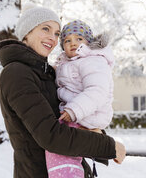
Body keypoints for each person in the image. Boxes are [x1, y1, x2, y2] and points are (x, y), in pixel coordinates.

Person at [0, 4, 126, 178]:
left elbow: (68, 123)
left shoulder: (48, 73)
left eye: (57, 33)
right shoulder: (17, 74)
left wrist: (97, 133)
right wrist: (108, 146)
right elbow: (52, 136)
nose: (53, 38)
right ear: (27, 32)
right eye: (46, 29)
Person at [45, 20, 115, 178]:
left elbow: (97, 91)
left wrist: (74, 110)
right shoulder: (68, 63)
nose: (73, 43)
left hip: (88, 113)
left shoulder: (94, 61)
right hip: (76, 113)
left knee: (60, 146)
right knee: (59, 145)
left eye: (79, 39)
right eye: (67, 40)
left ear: (88, 42)